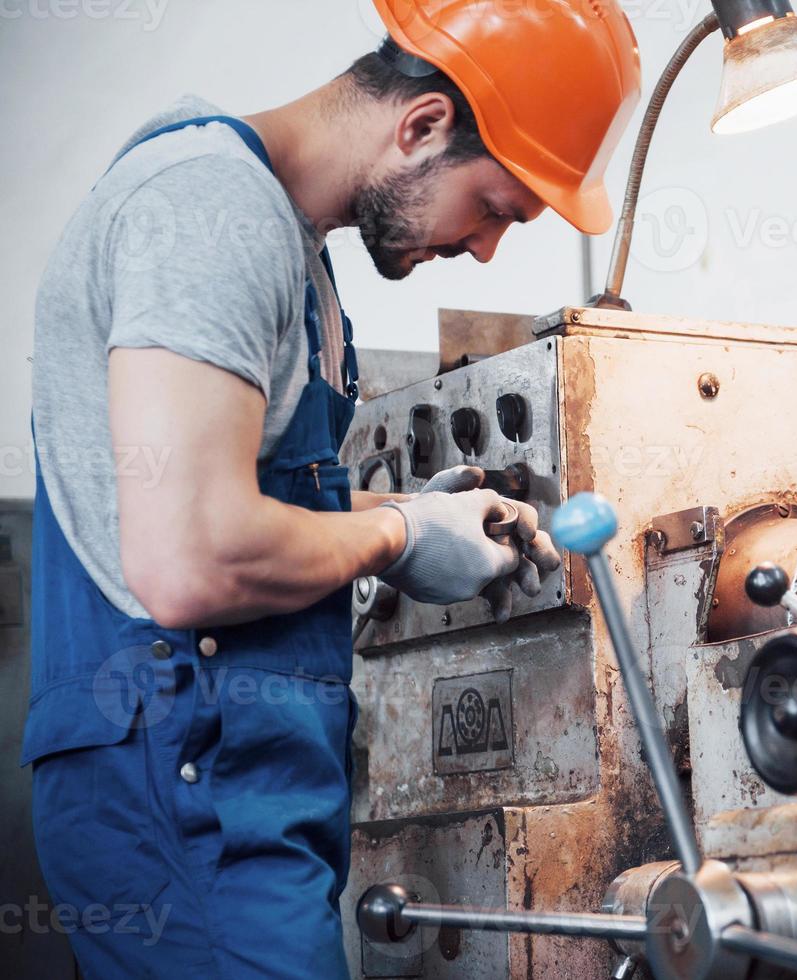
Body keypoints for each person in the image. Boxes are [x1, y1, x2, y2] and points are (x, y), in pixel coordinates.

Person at [23, 1, 640, 975]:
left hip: (234, 777)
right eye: (493, 207)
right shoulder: (210, 213)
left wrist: (414, 519)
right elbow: (188, 560)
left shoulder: (285, 247)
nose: (484, 248)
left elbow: (226, 502)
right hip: (189, 773)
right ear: (423, 125)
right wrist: (394, 533)